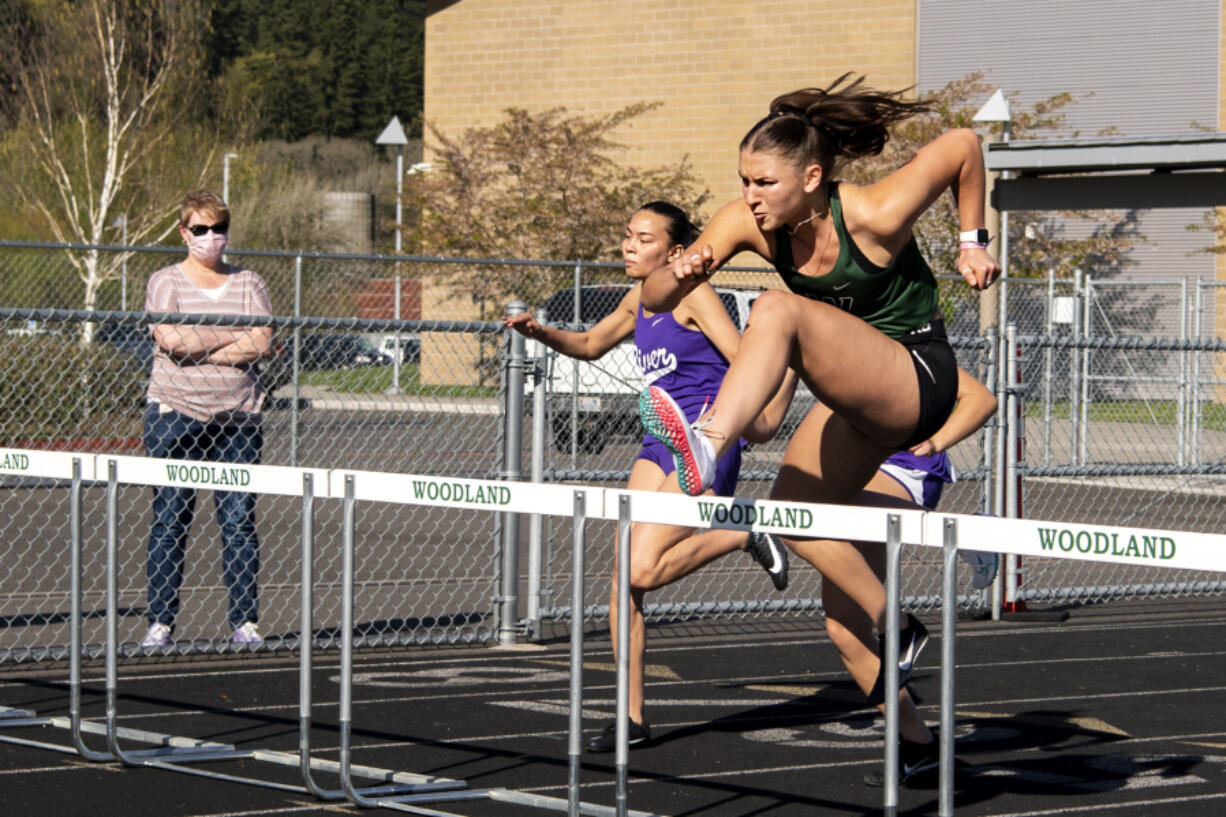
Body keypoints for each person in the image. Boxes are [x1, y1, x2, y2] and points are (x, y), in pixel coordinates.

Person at [636, 74, 1000, 783]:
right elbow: (652, 295)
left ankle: (711, 440)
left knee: (776, 310)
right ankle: (913, 713)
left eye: (765, 183)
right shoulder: (744, 223)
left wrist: (971, 240)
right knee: (801, 535)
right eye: (742, 180)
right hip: (857, 400)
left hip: (918, 381)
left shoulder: (872, 211)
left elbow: (963, 146)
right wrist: (679, 271)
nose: (749, 197)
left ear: (811, 176)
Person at [502, 201, 797, 752]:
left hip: (705, 440)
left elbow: (746, 361)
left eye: (643, 238)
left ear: (676, 252)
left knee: (642, 568)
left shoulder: (696, 294)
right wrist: (538, 332)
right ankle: (630, 718)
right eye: (626, 235)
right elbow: (590, 345)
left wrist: (763, 412)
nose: (628, 245)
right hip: (659, 441)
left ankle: (741, 530)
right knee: (623, 581)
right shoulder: (638, 298)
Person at [140, 190, 274, 648]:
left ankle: (244, 623)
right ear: (184, 233)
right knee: (170, 518)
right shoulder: (165, 281)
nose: (211, 237)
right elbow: (169, 338)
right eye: (200, 229)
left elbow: (261, 342)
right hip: (174, 413)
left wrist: (202, 340)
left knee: (237, 521)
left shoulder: (250, 282)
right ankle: (160, 623)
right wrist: (229, 338)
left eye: (218, 229)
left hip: (238, 417)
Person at [870, 366, 1000, 592]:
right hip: (864, 459)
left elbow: (982, 399)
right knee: (847, 612)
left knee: (833, 500)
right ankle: (891, 625)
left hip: (906, 465)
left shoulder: (905, 348)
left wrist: (936, 442)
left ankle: (967, 532)